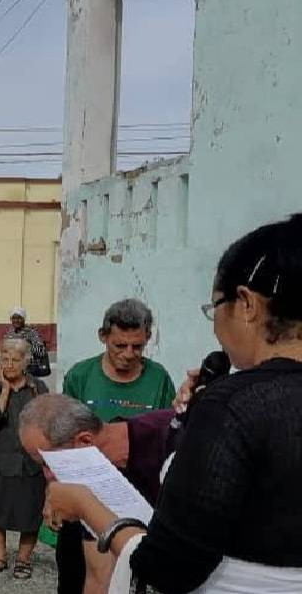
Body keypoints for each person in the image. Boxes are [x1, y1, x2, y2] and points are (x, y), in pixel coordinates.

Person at [45, 214, 302, 594]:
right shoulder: (231, 398)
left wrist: (85, 505)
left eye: (213, 306)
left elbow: (169, 565)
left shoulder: (233, 406)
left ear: (246, 303)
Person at [18, 394, 175, 594]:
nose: (47, 475)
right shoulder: (90, 479)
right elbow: (99, 575)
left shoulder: (173, 441)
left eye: (48, 463)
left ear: (84, 441)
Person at [0, 338, 49, 580]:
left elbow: (47, 422)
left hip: (30, 460)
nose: (9, 364)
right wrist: (5, 391)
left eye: (15, 359)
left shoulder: (38, 388)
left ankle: (23, 559)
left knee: (30, 512)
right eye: (4, 359)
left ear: (25, 362)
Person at [62, 299, 175, 421]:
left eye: (137, 347)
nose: (129, 354)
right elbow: (67, 431)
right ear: (103, 336)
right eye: (120, 346)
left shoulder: (159, 378)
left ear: (147, 338)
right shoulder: (79, 377)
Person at [4, 307, 51, 378]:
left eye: (19, 318)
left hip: (29, 370)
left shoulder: (31, 332)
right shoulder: (9, 333)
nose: (16, 320)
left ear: (23, 319)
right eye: (14, 318)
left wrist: (26, 347)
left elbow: (42, 351)